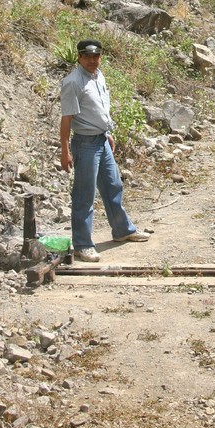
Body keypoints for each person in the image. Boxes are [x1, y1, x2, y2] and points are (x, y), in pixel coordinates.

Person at [60, 39, 149, 262]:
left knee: (113, 185)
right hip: (85, 144)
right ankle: (82, 244)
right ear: (79, 57)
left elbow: (100, 109)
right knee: (84, 195)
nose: (92, 60)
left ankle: (122, 230)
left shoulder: (99, 76)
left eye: (96, 56)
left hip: (101, 140)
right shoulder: (73, 82)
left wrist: (107, 132)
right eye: (88, 56)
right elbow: (67, 118)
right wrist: (64, 149)